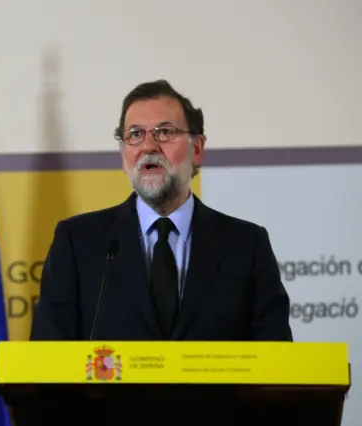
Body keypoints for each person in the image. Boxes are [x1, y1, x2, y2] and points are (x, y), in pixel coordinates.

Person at [30, 79, 293, 343]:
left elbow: (277, 363)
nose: (148, 146)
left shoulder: (247, 246)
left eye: (165, 132)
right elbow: (46, 359)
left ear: (197, 148)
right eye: (135, 134)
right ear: (123, 155)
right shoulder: (78, 243)